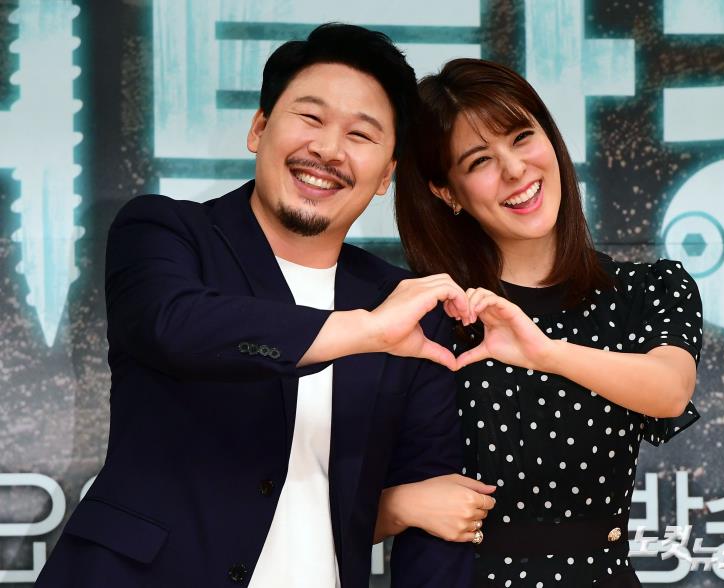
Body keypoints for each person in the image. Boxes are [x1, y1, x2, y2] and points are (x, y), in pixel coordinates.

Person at [36, 26, 492, 588]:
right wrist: (365, 331)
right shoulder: (167, 231)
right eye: (310, 117)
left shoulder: (406, 305)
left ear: (386, 175)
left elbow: (435, 499)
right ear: (258, 128)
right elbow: (174, 326)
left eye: (360, 134)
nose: (328, 150)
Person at [378, 58, 702, 587]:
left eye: (522, 138)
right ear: (446, 191)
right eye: (480, 160)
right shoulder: (419, 311)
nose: (514, 170)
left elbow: (670, 390)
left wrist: (545, 352)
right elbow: (309, 503)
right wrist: (398, 506)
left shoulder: (647, 289)